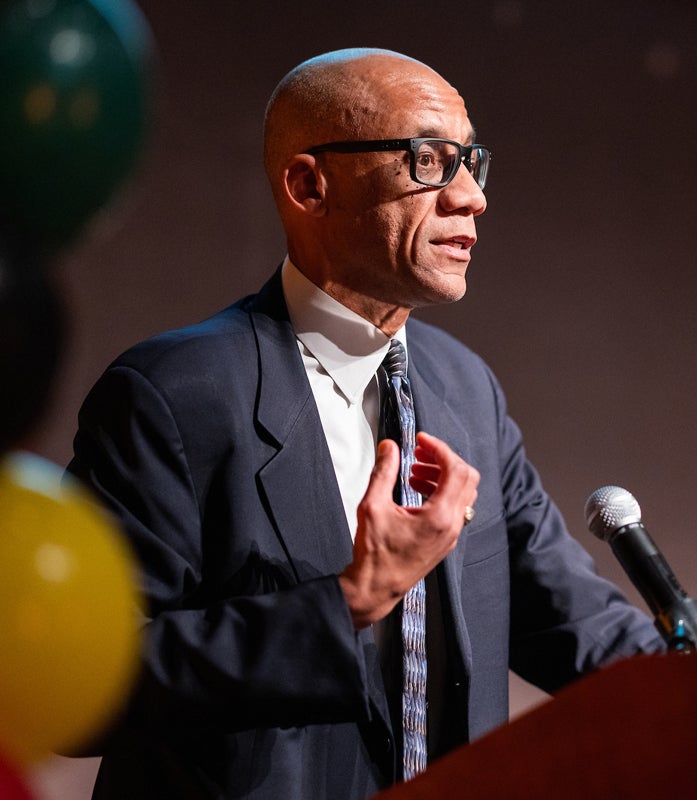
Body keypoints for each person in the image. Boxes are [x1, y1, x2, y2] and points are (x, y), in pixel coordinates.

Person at [68, 48, 662, 799]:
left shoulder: (465, 390)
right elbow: (80, 687)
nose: (471, 197)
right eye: (430, 160)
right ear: (310, 185)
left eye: (472, 161)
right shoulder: (175, 396)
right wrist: (345, 602)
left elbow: (581, 628)